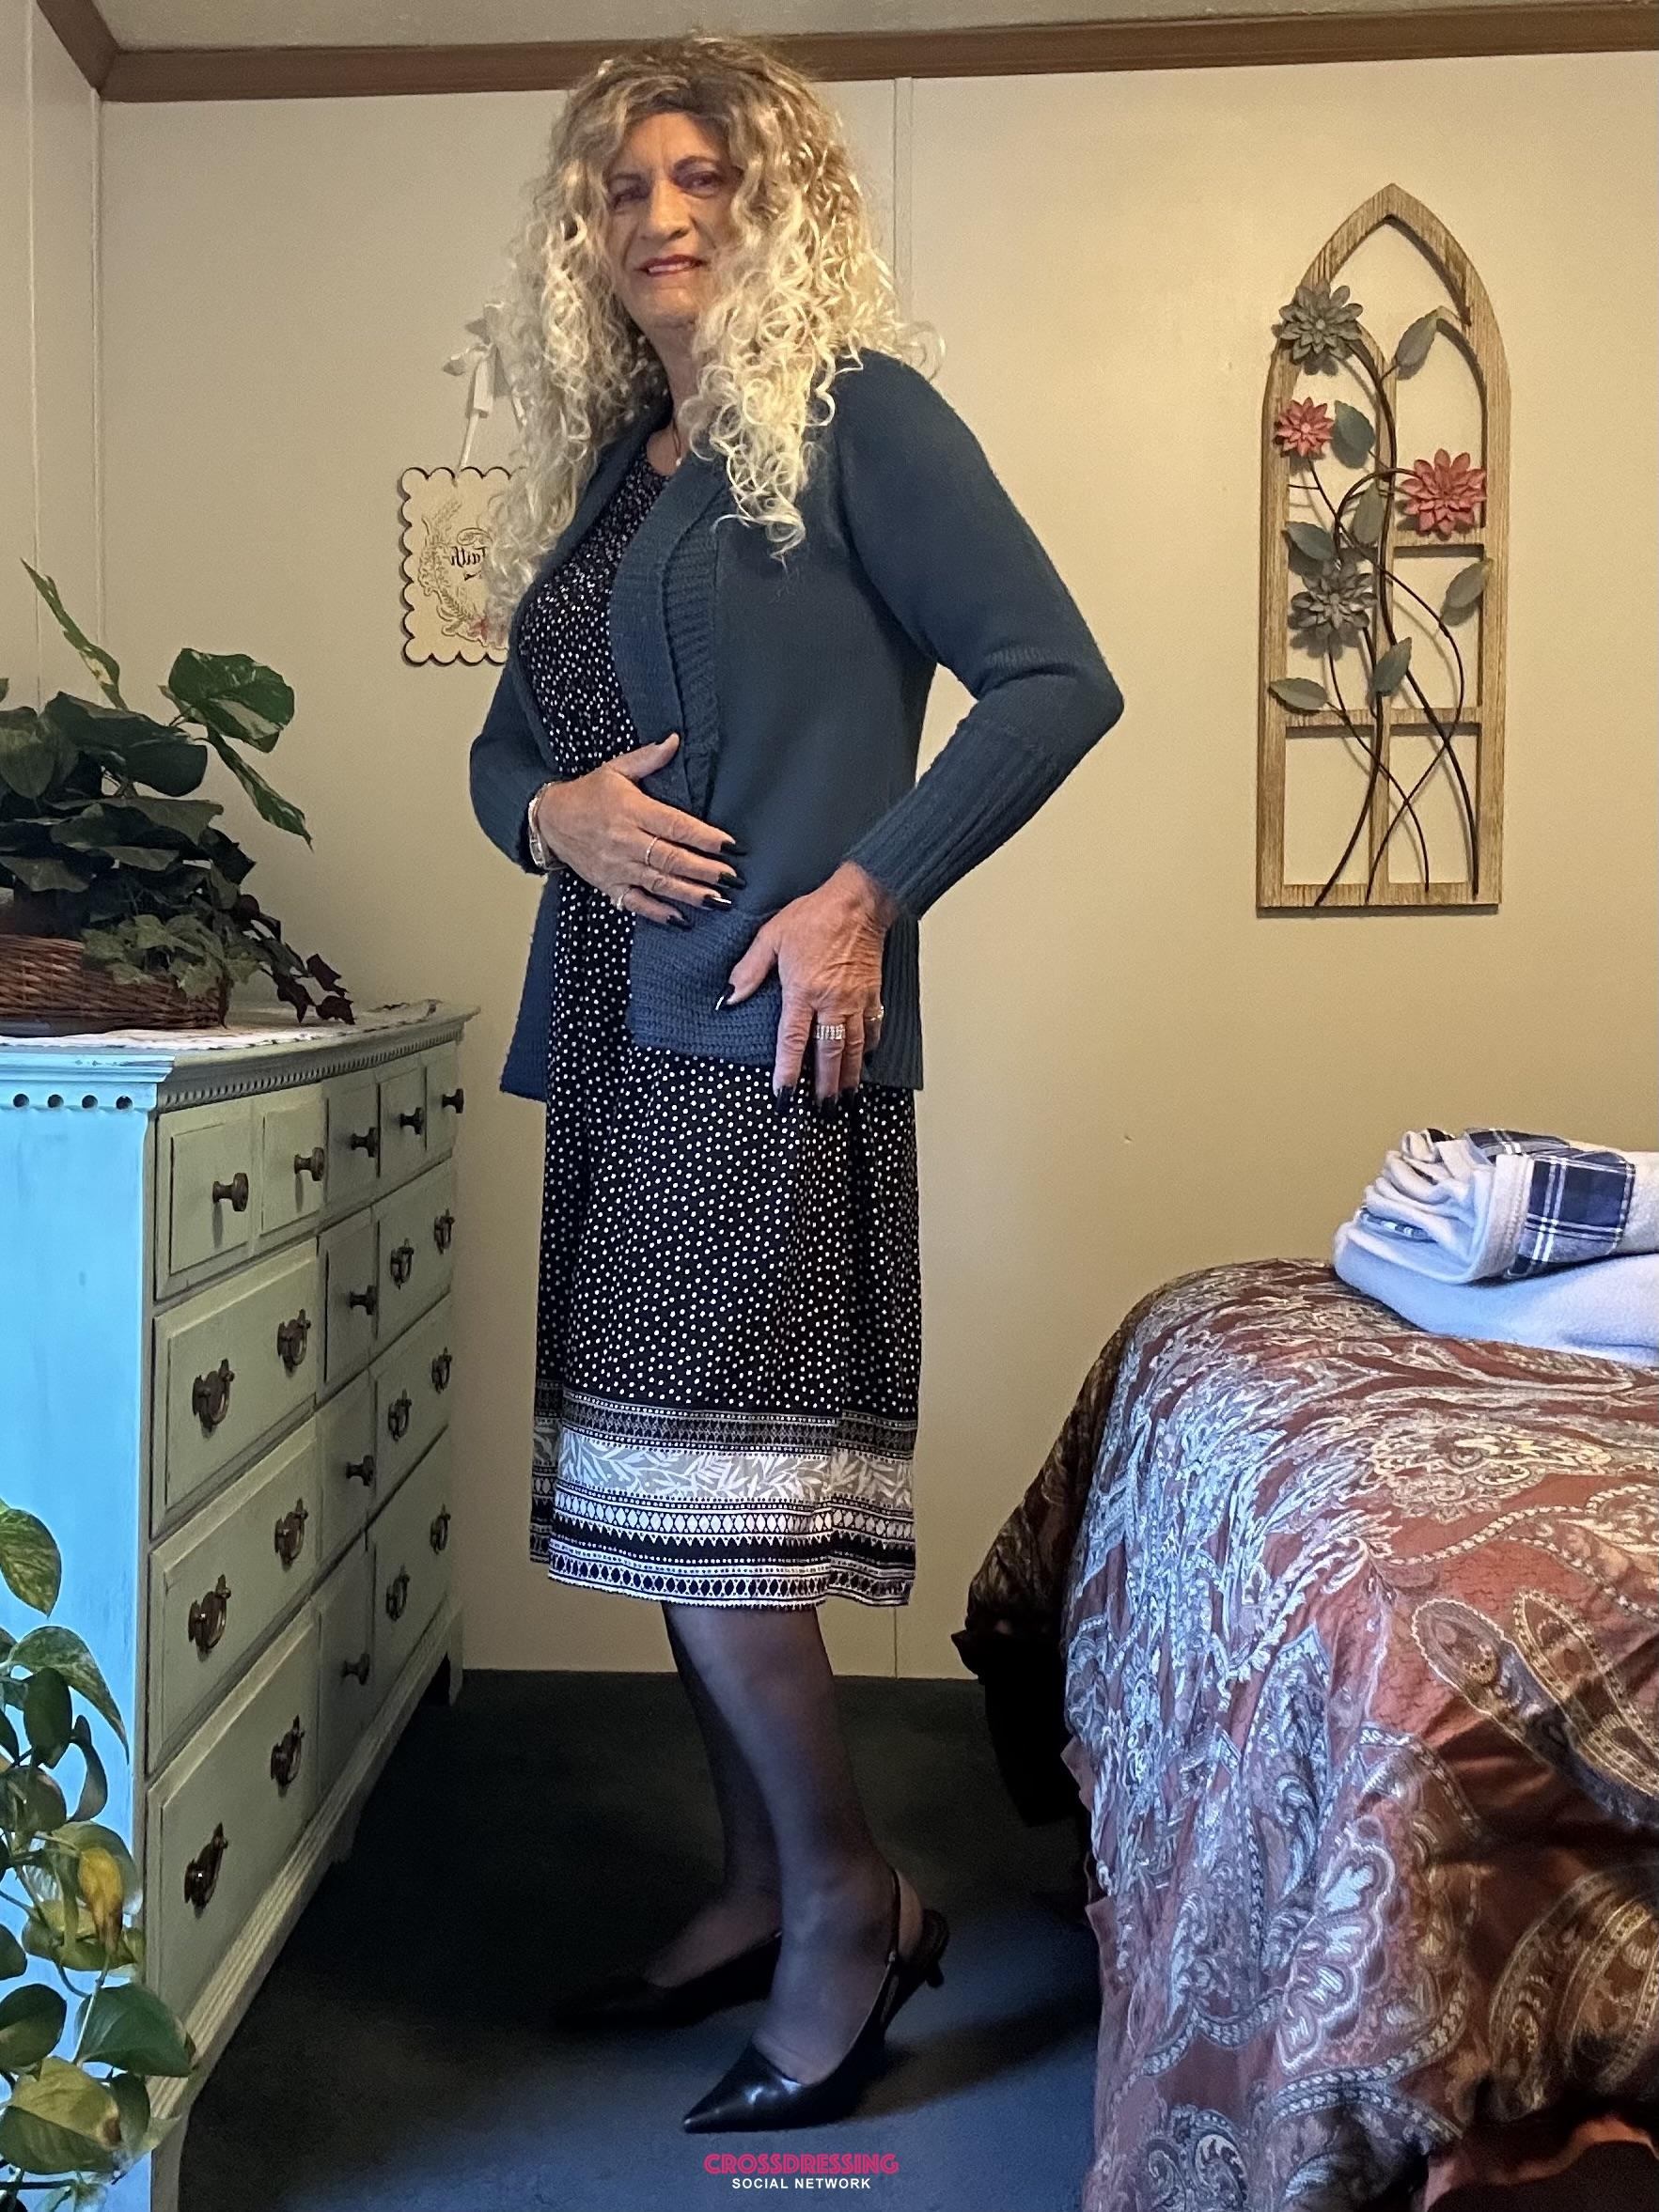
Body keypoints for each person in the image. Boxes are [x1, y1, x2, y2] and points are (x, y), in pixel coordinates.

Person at [467, 31, 1124, 2132]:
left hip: (760, 1046)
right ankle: (758, 1881)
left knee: (718, 1518)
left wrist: (867, 893)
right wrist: (549, 812)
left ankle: (852, 1902)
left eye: (704, 178)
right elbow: (508, 748)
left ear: (777, 205)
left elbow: (1055, 680)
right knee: (666, 1508)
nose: (659, 216)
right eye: (623, 187)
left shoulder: (859, 419)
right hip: (612, 1039)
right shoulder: (622, 470)